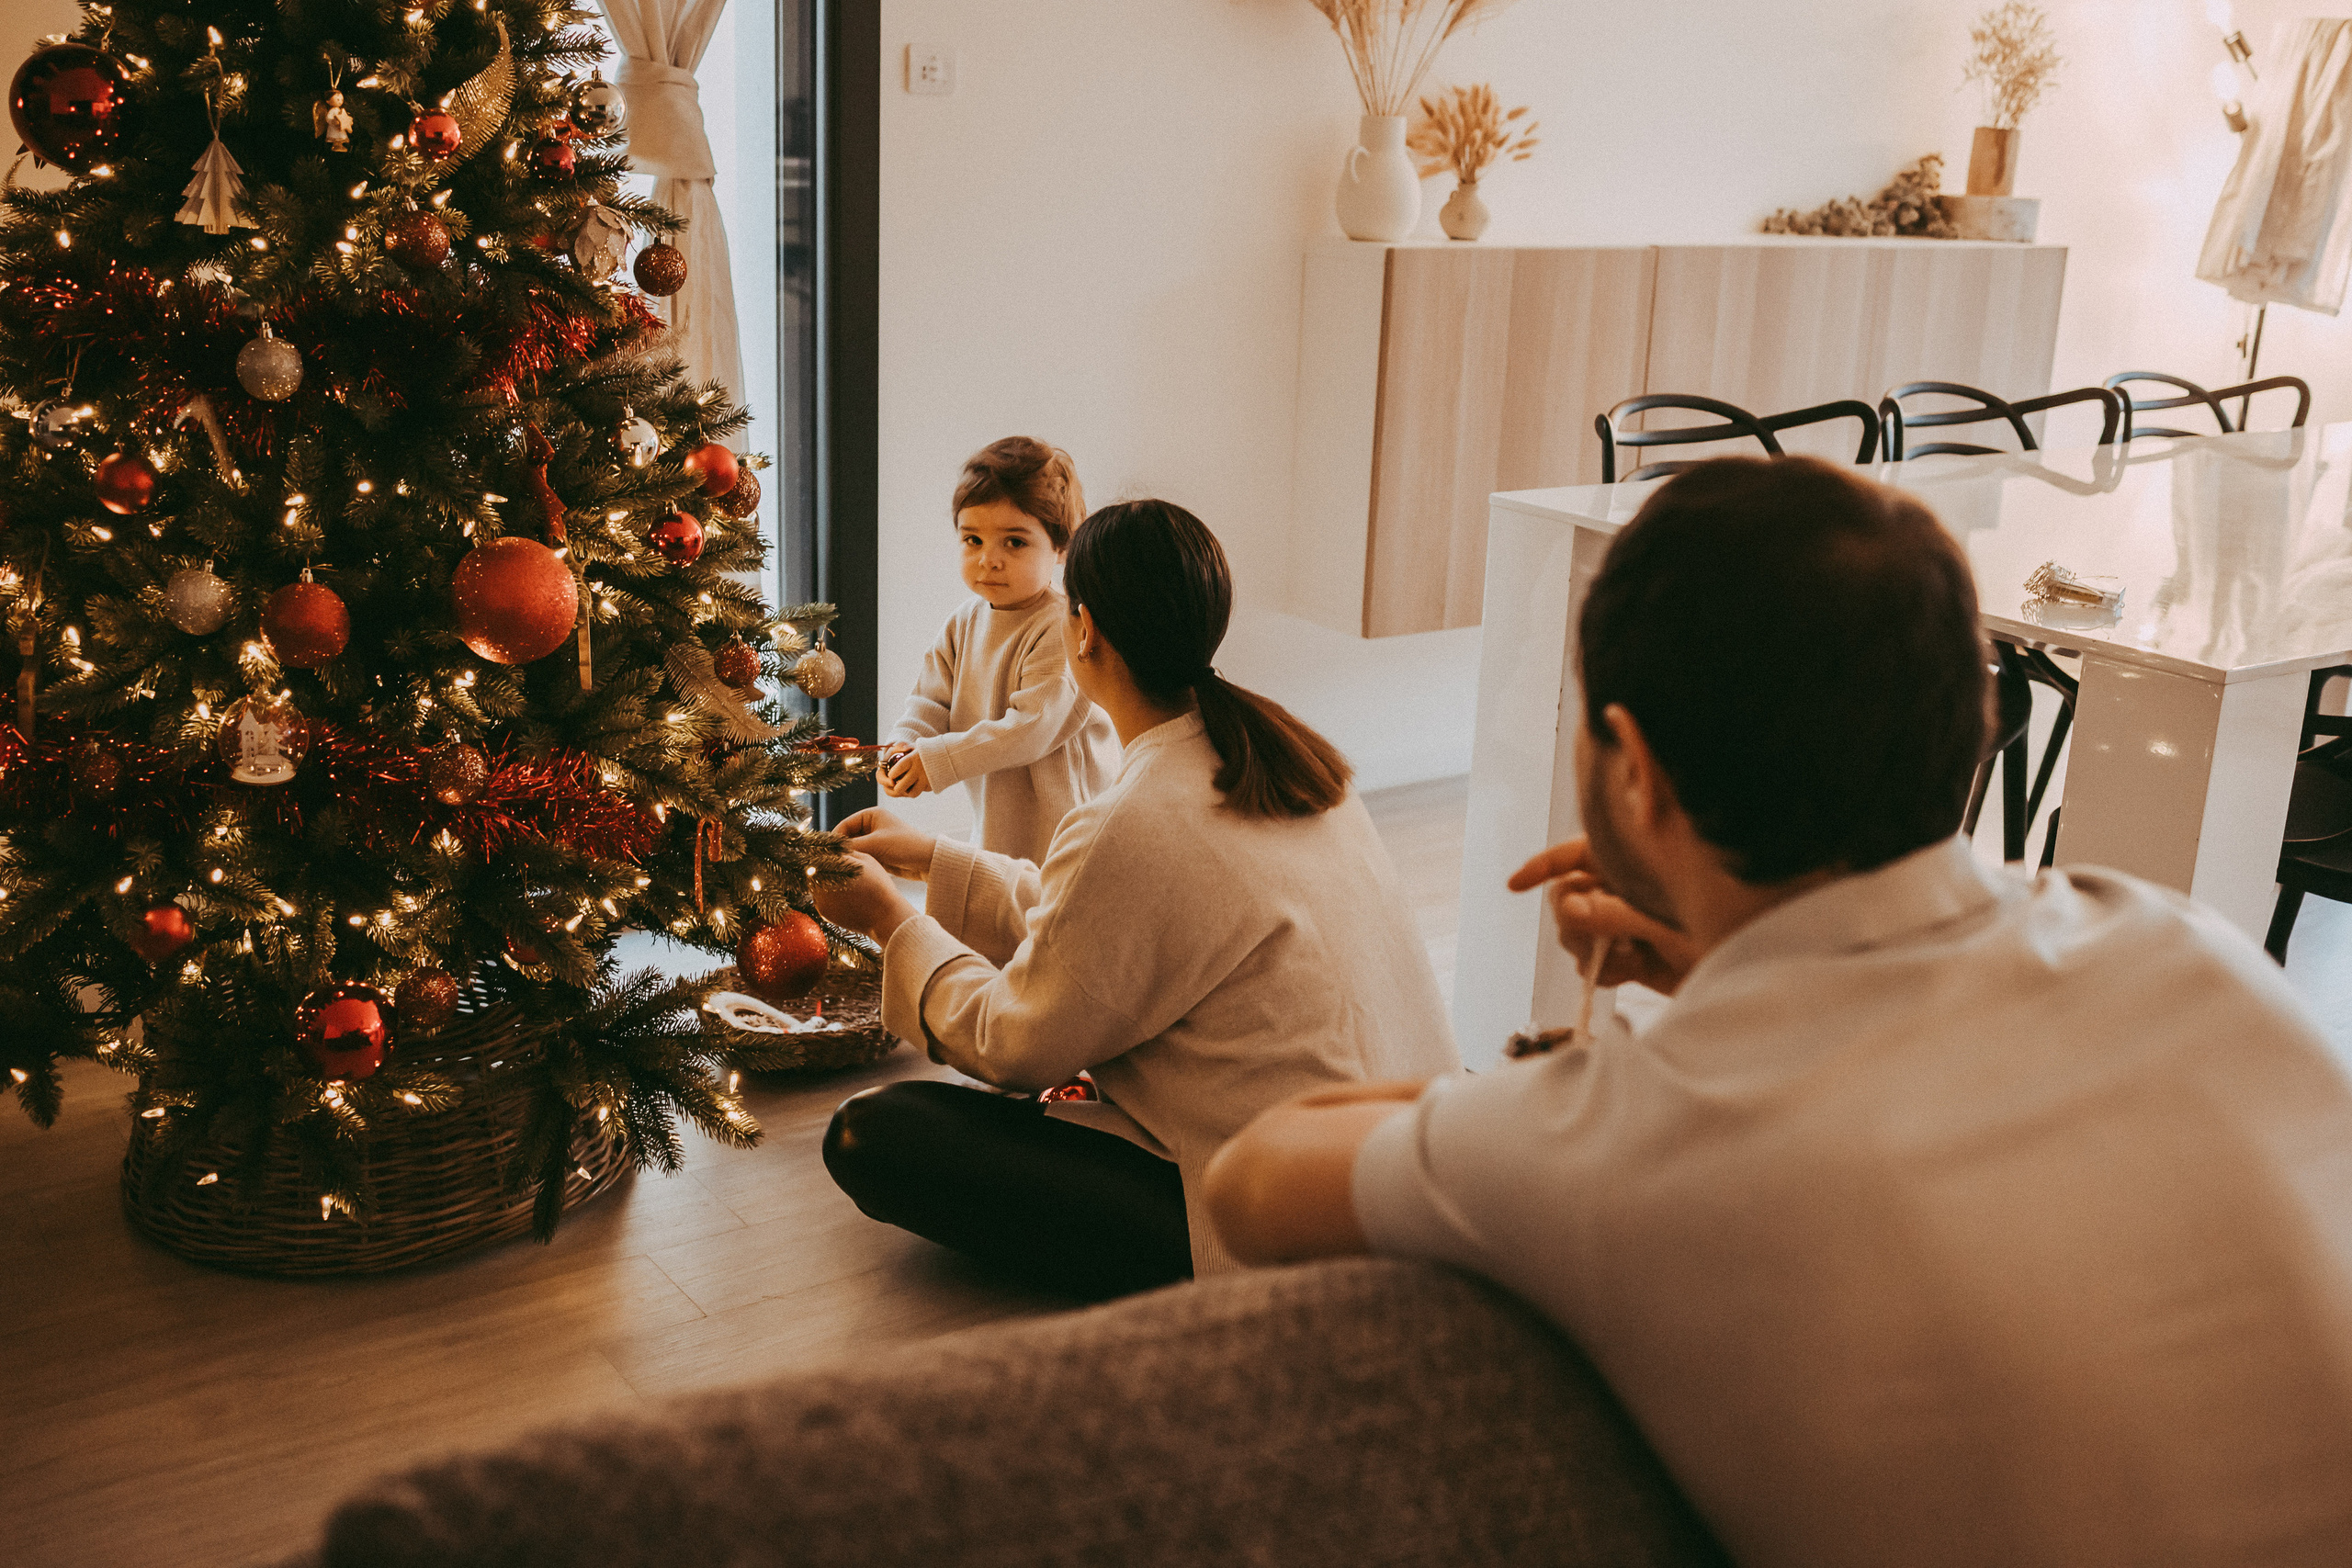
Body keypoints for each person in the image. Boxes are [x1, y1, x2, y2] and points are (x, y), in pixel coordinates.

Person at [1204, 457, 2352, 1568]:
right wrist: (1721, 963)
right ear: (1970, 720)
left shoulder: (1649, 1133)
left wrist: (1575, 1081)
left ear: (1634, 770)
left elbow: (1254, 1177)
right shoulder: (2186, 946)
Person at [813, 499, 1459, 1298]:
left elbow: (1011, 1044)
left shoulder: (1138, 814)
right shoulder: (1282, 751)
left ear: (1083, 631)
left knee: (871, 1133)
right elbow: (1102, 916)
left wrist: (890, 918)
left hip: (1286, 1211)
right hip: (1402, 1154)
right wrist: (933, 858)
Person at [879, 436, 1117, 865]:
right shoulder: (963, 623)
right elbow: (930, 702)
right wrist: (905, 744)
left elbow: (1031, 728)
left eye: (1014, 542)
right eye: (973, 540)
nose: (989, 559)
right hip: (1000, 823)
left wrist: (938, 761)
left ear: (1061, 547)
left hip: (1068, 828)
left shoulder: (1062, 625)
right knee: (997, 886)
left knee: (1043, 901)